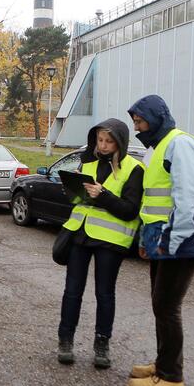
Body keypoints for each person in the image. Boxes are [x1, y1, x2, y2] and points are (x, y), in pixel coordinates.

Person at [126, 95, 194, 386]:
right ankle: (163, 363)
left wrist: (172, 242)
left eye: (140, 121)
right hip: (162, 240)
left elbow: (187, 197)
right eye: (135, 122)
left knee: (167, 306)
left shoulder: (181, 144)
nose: (137, 127)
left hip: (180, 239)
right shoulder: (158, 148)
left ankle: (171, 377)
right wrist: (145, 241)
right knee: (160, 305)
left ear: (155, 118)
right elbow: (153, 201)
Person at [57, 119, 144, 369]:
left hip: (110, 240)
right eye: (99, 140)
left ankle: (102, 344)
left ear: (120, 142)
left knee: (104, 294)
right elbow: (77, 201)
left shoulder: (134, 169)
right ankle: (65, 340)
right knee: (72, 291)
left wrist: (103, 195)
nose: (103, 146)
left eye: (108, 141)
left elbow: (130, 210)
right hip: (80, 234)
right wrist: (71, 188)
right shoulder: (87, 162)